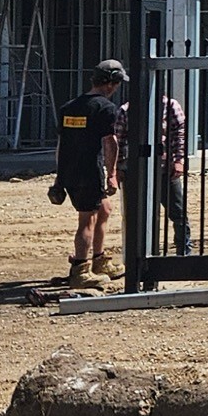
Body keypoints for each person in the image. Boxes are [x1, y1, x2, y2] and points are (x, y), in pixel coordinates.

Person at [53, 60, 129, 287]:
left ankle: (99, 260)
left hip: (70, 170)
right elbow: (110, 143)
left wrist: (60, 176)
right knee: (87, 220)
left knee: (104, 209)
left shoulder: (69, 107)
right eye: (117, 84)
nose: (116, 88)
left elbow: (61, 144)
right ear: (110, 83)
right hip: (88, 171)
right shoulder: (105, 108)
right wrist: (112, 174)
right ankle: (80, 270)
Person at [156, 86, 192, 257]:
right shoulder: (128, 108)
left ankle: (183, 251)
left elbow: (180, 134)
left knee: (178, 212)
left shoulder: (170, 106)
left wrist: (178, 160)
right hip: (141, 170)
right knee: (139, 215)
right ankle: (143, 253)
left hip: (166, 168)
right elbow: (121, 138)